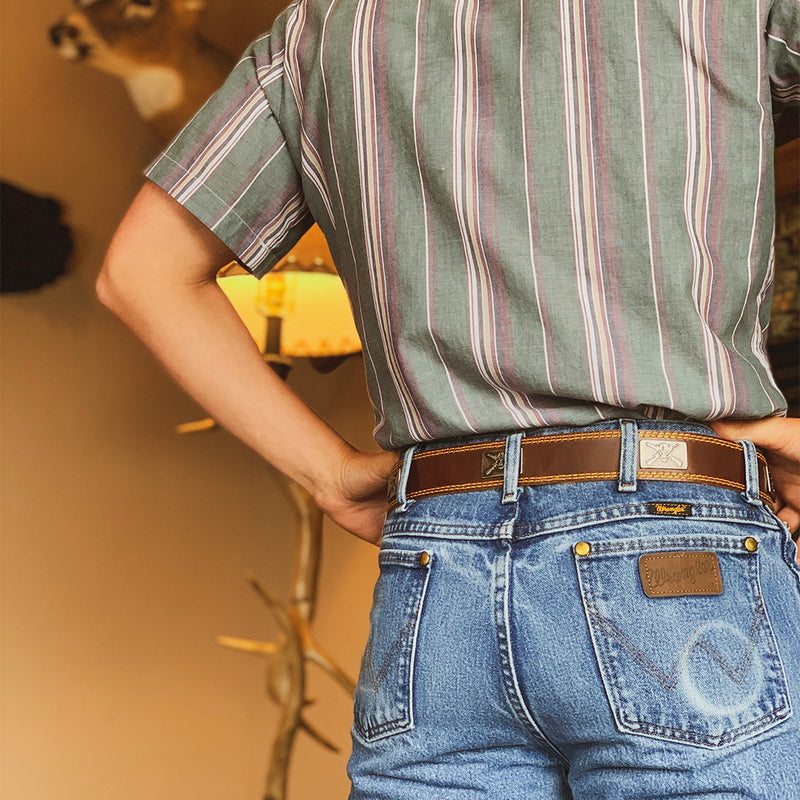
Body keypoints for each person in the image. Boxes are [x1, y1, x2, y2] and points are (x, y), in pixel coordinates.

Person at [98, 1, 800, 797]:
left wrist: (328, 474)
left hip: (435, 557)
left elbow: (140, 274)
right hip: (669, 541)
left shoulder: (320, 30)